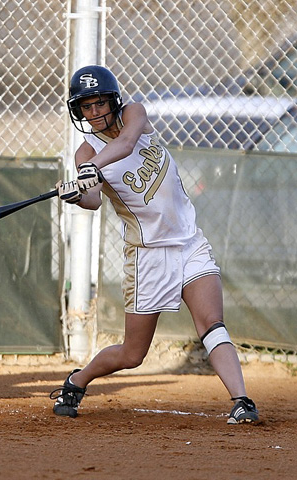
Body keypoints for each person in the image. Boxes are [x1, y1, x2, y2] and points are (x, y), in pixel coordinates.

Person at [51, 65, 259, 424]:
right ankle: (77, 381)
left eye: (101, 103)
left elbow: (127, 142)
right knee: (133, 354)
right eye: (87, 106)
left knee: (211, 323)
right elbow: (94, 202)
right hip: (147, 256)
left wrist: (92, 169)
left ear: (113, 101)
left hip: (189, 241)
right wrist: (76, 193)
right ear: (79, 112)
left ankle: (242, 401)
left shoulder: (135, 114)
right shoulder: (84, 155)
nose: (96, 112)